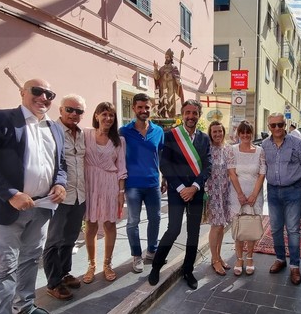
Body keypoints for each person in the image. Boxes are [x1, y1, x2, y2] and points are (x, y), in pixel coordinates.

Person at [0, 78, 67, 314]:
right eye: (38, 91)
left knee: (30, 260)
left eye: (49, 95)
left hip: (42, 207)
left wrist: (60, 183)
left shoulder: (54, 128)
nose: (44, 97)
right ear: (23, 92)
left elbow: (60, 164)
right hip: (4, 208)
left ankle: (25, 307)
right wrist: (10, 194)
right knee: (3, 268)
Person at [148, 99, 211, 290]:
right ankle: (156, 266)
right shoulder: (171, 135)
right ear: (182, 115)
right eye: (187, 112)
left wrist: (195, 187)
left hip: (196, 192)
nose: (191, 116)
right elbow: (165, 165)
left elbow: (208, 166)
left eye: (194, 113)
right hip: (178, 192)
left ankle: (188, 270)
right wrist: (181, 188)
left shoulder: (204, 138)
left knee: (194, 233)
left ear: (199, 115)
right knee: (173, 229)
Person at [42, 94, 86, 301]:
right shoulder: (52, 131)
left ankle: (65, 273)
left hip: (79, 194)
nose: (74, 114)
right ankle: (53, 282)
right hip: (59, 195)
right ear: (60, 110)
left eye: (78, 111)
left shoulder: (83, 135)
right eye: (70, 109)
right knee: (54, 240)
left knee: (70, 238)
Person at [261, 113, 301, 285]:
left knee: (292, 230)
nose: (277, 128)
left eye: (280, 125)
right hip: (273, 191)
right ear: (269, 127)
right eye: (273, 125)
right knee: (275, 228)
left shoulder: (297, 143)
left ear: (285, 125)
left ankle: (295, 266)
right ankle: (280, 259)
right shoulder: (265, 145)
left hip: (293, 191)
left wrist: (296, 182)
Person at [82, 102, 127, 284]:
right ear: (96, 116)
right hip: (90, 183)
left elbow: (121, 166)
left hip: (110, 184)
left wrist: (121, 191)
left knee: (109, 224)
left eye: (111, 116)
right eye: (105, 114)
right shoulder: (86, 134)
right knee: (90, 224)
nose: (108, 118)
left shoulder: (119, 140)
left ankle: (107, 264)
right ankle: (91, 264)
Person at [119, 93, 164, 274]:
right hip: (133, 185)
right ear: (134, 109)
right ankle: (136, 255)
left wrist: (164, 177)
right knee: (133, 221)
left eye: (147, 107)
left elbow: (160, 155)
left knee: (156, 218)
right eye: (140, 107)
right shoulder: (124, 131)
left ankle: (152, 251)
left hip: (153, 183)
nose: (144, 110)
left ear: (151, 108)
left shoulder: (158, 131)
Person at [227, 120, 266, 277]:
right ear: (238, 134)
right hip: (237, 195)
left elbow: (262, 173)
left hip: (255, 194)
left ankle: (249, 258)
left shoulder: (260, 151)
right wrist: (241, 195)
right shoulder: (232, 150)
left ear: (251, 133)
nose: (245, 135)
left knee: (250, 227)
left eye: (247, 132)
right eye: (242, 132)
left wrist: (254, 195)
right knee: (238, 228)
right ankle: (238, 259)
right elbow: (231, 173)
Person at [204, 121, 231, 276]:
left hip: (225, 192)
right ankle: (214, 260)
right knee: (216, 226)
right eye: (214, 132)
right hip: (212, 192)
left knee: (221, 226)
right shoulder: (207, 149)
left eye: (219, 131)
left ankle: (219, 256)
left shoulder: (227, 149)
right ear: (210, 133)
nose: (217, 134)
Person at [153, 48, 183, 118]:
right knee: (163, 104)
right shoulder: (162, 69)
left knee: (172, 104)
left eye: (168, 57)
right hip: (163, 89)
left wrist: (179, 81)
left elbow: (178, 78)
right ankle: (163, 117)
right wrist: (155, 69)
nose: (166, 58)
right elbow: (157, 77)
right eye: (165, 57)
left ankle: (173, 118)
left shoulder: (174, 68)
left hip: (172, 89)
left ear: (171, 58)